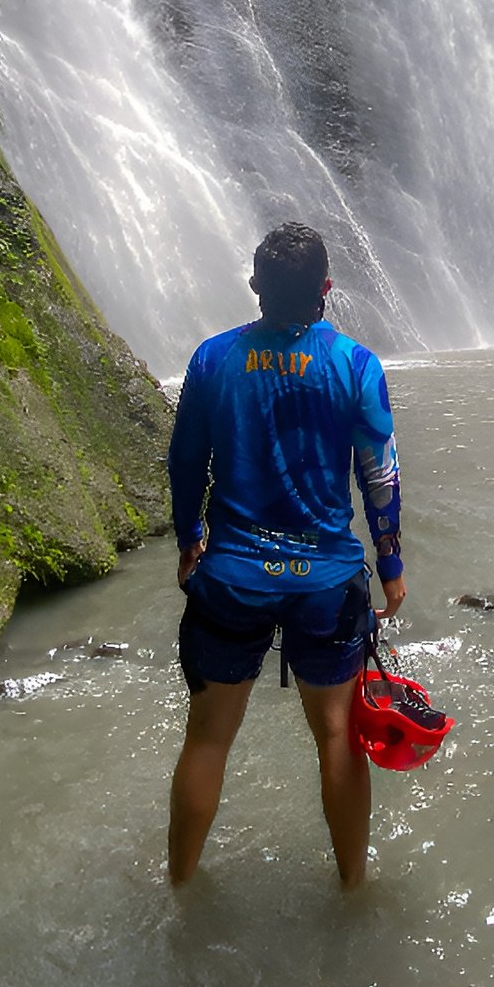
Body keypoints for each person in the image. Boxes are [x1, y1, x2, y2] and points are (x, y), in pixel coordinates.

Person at [165, 223, 406, 888]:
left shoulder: (214, 360)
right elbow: (379, 473)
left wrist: (191, 536)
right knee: (337, 735)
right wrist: (391, 565)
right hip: (325, 582)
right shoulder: (356, 365)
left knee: (207, 738)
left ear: (255, 287)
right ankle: (353, 887)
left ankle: (180, 889)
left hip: (232, 578)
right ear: (326, 289)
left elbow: (185, 462)